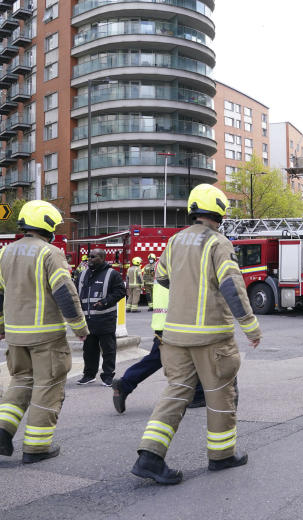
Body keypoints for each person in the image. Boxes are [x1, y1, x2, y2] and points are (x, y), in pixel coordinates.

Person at [132, 184, 262, 485]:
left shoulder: (175, 241)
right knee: (220, 394)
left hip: (176, 337)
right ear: (219, 212)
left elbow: (161, 277)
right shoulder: (218, 243)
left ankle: (149, 456)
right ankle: (221, 455)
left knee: (175, 393)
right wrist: (250, 326)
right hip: (211, 336)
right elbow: (232, 286)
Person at [0, 200, 88, 464]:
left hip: (16, 337)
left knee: (20, 381)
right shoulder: (50, 253)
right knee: (48, 387)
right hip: (47, 337)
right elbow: (65, 293)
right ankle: (37, 448)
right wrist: (80, 328)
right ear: (48, 225)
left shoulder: (4, 254)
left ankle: (1, 428)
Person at [112, 282, 205, 414]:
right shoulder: (178, 264)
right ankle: (199, 394)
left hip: (165, 322)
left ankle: (126, 383)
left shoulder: (164, 264)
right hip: (177, 321)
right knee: (196, 355)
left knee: (158, 358)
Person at [76, 248, 126, 386]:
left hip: (105, 319)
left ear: (102, 258)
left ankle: (108, 376)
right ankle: (89, 375)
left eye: (93, 257)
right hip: (87, 320)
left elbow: (121, 291)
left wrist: (105, 302)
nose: (89, 259)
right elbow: (75, 293)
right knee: (89, 350)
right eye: (89, 256)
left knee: (108, 350)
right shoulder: (82, 274)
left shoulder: (112, 274)